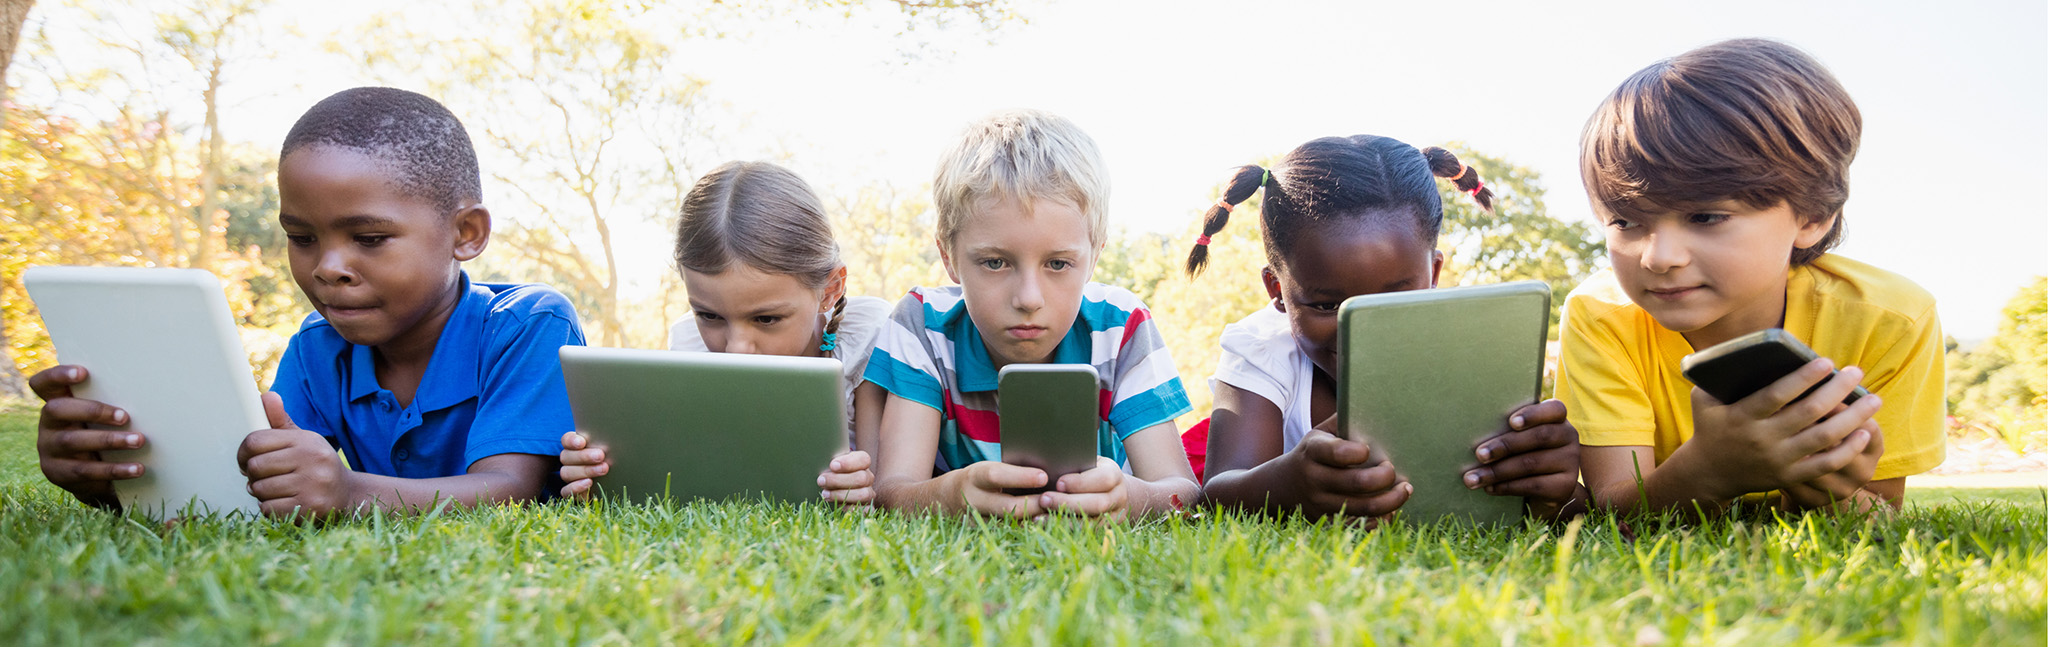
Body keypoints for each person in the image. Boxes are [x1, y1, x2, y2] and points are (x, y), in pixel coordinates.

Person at [31, 86, 584, 518]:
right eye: (302, 238)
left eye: (368, 239)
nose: (327, 267)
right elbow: (263, 487)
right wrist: (108, 478)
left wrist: (349, 492)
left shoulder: (528, 323)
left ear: (466, 233)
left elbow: (511, 490)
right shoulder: (319, 345)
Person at [1560, 38, 1946, 514]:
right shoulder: (1600, 315)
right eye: (1624, 222)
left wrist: (1818, 480)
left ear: (1812, 215)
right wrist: (1709, 469)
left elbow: (1880, 515)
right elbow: (1615, 510)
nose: (1658, 258)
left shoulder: (1893, 318)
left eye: (1704, 217)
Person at [1190, 135, 1587, 522]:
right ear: (1277, 291)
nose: (1360, 334)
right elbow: (1219, 492)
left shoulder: (1470, 347)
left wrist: (1553, 485)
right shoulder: (1262, 349)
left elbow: (1559, 501)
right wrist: (1287, 486)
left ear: (1433, 275)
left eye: (1392, 300)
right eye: (1328, 305)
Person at [864, 109, 1199, 520]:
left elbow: (1183, 492)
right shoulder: (922, 326)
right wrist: (953, 494)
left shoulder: (1121, 326)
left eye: (1058, 264)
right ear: (949, 256)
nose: (1028, 298)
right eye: (995, 263)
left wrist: (1130, 498)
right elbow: (891, 492)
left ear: (1094, 257)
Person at [557, 161, 886, 505]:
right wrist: (602, 470)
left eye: (767, 319)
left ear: (830, 289)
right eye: (709, 315)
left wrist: (862, 489)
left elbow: (881, 488)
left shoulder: (865, 334)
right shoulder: (688, 342)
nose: (736, 348)